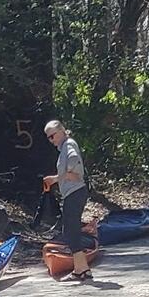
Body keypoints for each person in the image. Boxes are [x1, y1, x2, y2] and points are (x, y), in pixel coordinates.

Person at [43, 120, 92, 281]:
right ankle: (81, 269)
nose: (51, 140)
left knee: (71, 231)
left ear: (62, 131)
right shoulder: (64, 147)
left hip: (75, 192)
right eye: (48, 137)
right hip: (72, 193)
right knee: (71, 231)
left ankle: (82, 269)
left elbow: (76, 172)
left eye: (53, 135)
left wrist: (55, 179)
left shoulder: (69, 146)